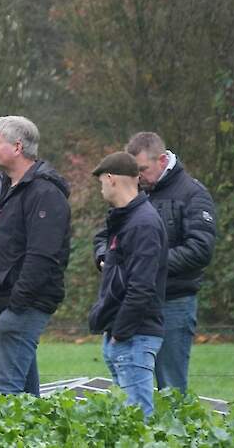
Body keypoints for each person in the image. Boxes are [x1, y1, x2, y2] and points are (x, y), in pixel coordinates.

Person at [95, 132, 216, 394]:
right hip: (133, 300)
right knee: (130, 385)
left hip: (174, 300)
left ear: (162, 160)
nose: (138, 177)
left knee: (170, 386)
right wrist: (107, 257)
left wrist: (147, 264)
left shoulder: (193, 194)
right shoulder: (135, 193)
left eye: (142, 170)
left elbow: (200, 249)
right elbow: (104, 235)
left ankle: (173, 434)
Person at [0, 115, 71, 396]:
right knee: (25, 393)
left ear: (17, 147)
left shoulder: (45, 193)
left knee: (5, 391)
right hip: (0, 304)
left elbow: (43, 256)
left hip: (21, 306)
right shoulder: (9, 189)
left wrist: (16, 306)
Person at [88, 151, 168, 417]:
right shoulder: (124, 218)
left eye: (100, 182)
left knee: (138, 418)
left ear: (110, 179)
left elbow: (142, 287)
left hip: (134, 336)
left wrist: (121, 332)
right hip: (122, 334)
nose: (100, 188)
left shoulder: (143, 223)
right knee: (127, 417)